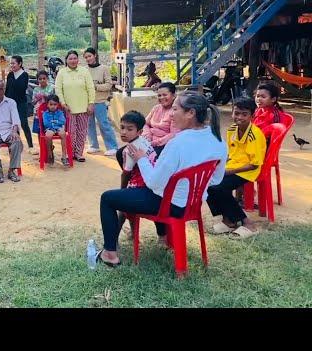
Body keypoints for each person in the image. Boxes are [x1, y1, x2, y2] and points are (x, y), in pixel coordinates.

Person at [89, 92, 227, 268]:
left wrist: (142, 158)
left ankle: (109, 254)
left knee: (107, 198)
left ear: (190, 113)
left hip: (168, 204)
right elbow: (216, 179)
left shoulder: (178, 143)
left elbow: (154, 183)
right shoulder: (218, 139)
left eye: (175, 109)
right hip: (192, 204)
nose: (171, 113)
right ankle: (164, 237)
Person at [207, 97, 266, 239]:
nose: (239, 117)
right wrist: (219, 165)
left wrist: (227, 171)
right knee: (207, 182)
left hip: (248, 170)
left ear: (252, 116)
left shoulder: (254, 135)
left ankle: (248, 223)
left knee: (219, 186)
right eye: (236, 113)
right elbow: (229, 153)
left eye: (244, 114)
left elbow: (254, 164)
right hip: (232, 165)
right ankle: (229, 221)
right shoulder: (232, 129)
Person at [115, 111, 161, 242]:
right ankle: (134, 234)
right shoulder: (144, 141)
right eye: (122, 127)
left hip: (142, 185)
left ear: (139, 132)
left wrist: (122, 190)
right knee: (125, 206)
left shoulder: (130, 149)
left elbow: (126, 173)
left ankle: (114, 239)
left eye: (130, 129)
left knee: (121, 205)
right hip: (153, 182)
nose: (124, 132)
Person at [54, 50, 95, 162]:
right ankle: (70, 153)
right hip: (68, 109)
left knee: (82, 132)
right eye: (70, 59)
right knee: (71, 133)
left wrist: (91, 103)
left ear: (78, 60)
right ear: (66, 60)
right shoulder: (62, 73)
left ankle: (79, 154)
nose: (73, 61)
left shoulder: (84, 71)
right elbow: (58, 89)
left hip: (83, 108)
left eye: (75, 58)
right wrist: (62, 103)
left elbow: (90, 88)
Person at [83, 48, 119, 156]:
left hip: (100, 101)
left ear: (95, 55)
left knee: (103, 123)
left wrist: (95, 86)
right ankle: (93, 145)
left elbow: (108, 85)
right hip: (88, 101)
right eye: (86, 57)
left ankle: (112, 146)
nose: (88, 59)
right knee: (89, 124)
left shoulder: (104, 69)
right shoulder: (84, 70)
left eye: (90, 56)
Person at [5, 55, 36, 154]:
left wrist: (13, 80)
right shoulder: (10, 75)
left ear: (20, 64)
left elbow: (21, 88)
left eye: (13, 63)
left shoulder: (24, 75)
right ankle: (16, 145)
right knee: (13, 125)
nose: (12, 65)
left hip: (21, 103)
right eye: (11, 63)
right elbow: (8, 89)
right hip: (10, 103)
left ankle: (30, 146)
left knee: (24, 124)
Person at [142, 81, 180, 156]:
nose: (161, 97)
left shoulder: (175, 112)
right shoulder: (156, 108)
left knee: (142, 156)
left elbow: (174, 134)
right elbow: (145, 123)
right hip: (148, 141)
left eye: (165, 95)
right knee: (123, 152)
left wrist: (154, 143)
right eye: (159, 95)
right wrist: (148, 136)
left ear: (173, 96)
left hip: (164, 145)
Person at [41, 94, 70, 166]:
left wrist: (55, 123)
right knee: (48, 135)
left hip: (59, 128)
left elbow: (63, 121)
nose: (53, 106)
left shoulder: (60, 112)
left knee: (63, 133)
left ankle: (64, 156)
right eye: (51, 104)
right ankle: (50, 153)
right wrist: (56, 122)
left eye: (55, 104)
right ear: (47, 105)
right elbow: (46, 123)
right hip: (49, 128)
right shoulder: (45, 113)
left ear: (57, 105)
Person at [31, 70, 54, 135]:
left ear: (47, 78)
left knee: (49, 131)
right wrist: (37, 99)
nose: (42, 80)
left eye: (44, 78)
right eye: (40, 79)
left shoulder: (51, 88)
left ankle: (49, 144)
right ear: (37, 80)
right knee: (39, 131)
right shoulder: (36, 89)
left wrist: (46, 97)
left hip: (49, 113)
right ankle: (41, 144)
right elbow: (33, 102)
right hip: (38, 113)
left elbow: (54, 100)